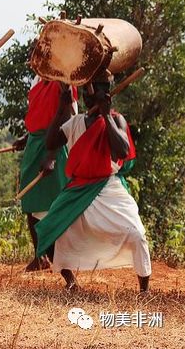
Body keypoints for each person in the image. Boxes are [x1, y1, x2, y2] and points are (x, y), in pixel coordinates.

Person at [36, 74, 151, 291]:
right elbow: (51, 142)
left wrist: (106, 115)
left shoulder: (117, 119)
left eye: (99, 89)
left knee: (136, 234)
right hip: (78, 188)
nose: (93, 94)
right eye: (89, 89)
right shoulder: (75, 122)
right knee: (48, 231)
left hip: (109, 187)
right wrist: (62, 107)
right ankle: (71, 282)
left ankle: (144, 289)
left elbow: (123, 150)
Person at [12, 76, 77, 271]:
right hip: (35, 144)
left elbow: (67, 116)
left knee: (55, 205)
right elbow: (38, 114)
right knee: (31, 204)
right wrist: (27, 136)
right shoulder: (36, 80)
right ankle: (40, 256)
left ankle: (66, 262)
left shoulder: (65, 80)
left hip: (54, 146)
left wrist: (51, 154)